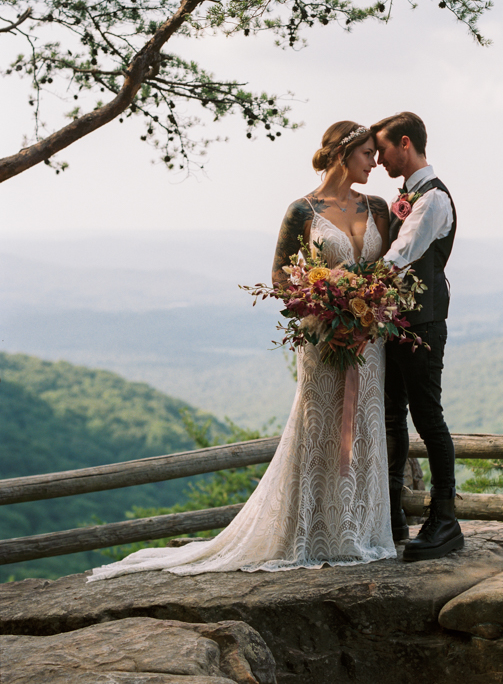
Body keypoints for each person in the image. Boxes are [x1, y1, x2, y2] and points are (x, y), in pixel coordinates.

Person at [89, 121, 395, 581]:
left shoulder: (378, 207)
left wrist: (369, 310)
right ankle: (312, 534)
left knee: (367, 424)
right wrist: (326, 313)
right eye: (368, 153)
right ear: (344, 153)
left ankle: (360, 532)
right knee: (319, 427)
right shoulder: (302, 210)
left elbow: (386, 275)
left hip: (369, 343)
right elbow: (279, 281)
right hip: (322, 341)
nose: (376, 162)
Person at [371, 111, 462, 562]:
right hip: (395, 323)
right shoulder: (408, 194)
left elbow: (402, 253)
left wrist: (351, 285)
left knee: (428, 418)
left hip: (423, 325)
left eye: (383, 149)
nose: (379, 159)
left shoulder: (433, 199)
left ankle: (445, 519)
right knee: (391, 417)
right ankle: (391, 516)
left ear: (404, 144)